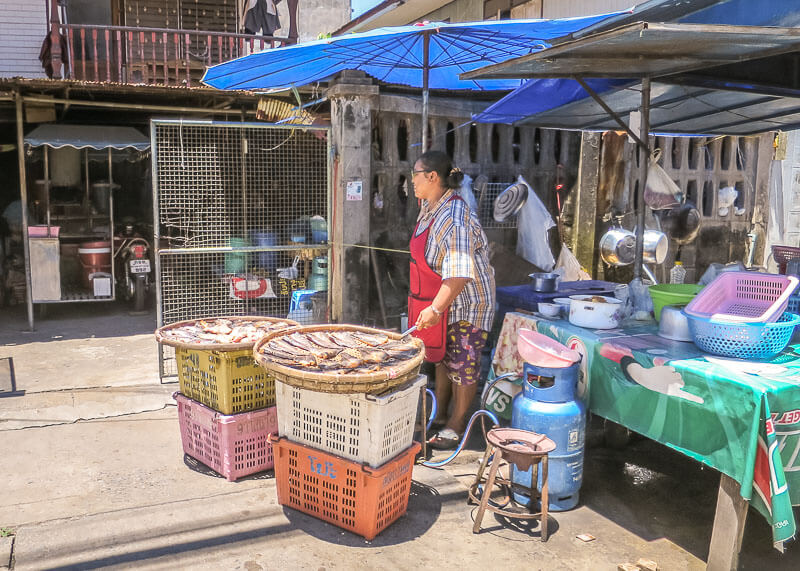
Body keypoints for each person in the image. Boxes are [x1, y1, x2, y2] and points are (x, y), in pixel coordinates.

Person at [408, 150, 496, 450]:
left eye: (415, 174)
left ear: (432, 177)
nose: (412, 181)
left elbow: (459, 273)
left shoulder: (454, 216)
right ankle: (440, 415)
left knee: (463, 362)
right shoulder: (430, 207)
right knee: (443, 356)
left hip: (467, 301)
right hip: (443, 298)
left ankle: (458, 424)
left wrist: (435, 308)